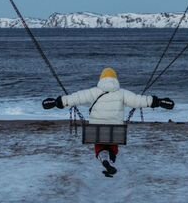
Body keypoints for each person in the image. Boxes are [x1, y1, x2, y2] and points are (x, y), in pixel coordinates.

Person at [42, 67, 174, 177]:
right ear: (115, 80)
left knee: (99, 145)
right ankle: (111, 157)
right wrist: (159, 101)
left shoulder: (93, 92)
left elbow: (75, 98)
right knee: (113, 145)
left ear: (101, 79)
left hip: (96, 127)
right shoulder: (122, 93)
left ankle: (104, 159)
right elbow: (139, 100)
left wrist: (56, 102)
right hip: (115, 128)